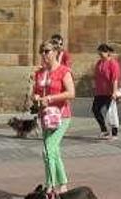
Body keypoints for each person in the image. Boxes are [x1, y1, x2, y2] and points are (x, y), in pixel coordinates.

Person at [32, 40, 75, 196]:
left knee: (47, 150)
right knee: (53, 150)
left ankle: (50, 184)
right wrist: (36, 97)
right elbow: (35, 92)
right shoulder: (40, 73)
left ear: (56, 52)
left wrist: (50, 98)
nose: (43, 54)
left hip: (61, 116)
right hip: (46, 117)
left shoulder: (64, 71)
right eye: (41, 51)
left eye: (47, 51)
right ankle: (62, 183)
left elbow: (71, 93)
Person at [92, 44, 121, 140]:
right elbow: (96, 76)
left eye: (102, 52)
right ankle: (104, 130)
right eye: (99, 52)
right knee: (95, 110)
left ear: (108, 52)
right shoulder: (99, 63)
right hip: (100, 92)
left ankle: (114, 133)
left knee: (111, 113)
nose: (100, 53)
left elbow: (115, 79)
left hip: (109, 92)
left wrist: (114, 92)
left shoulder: (113, 63)